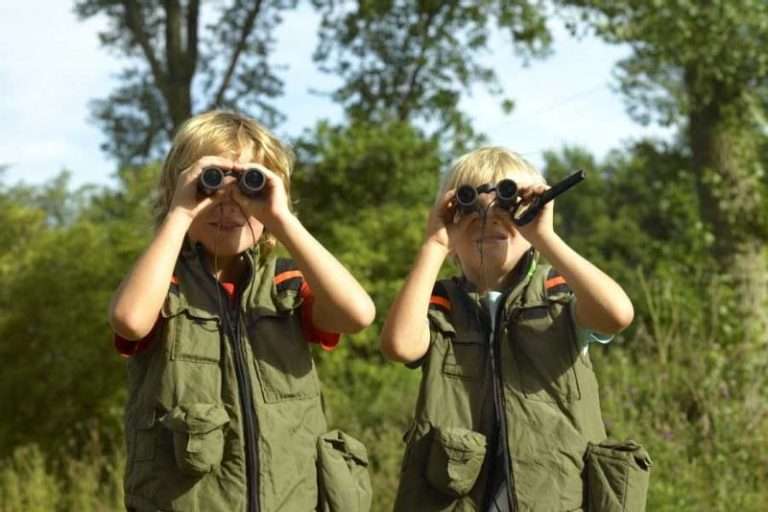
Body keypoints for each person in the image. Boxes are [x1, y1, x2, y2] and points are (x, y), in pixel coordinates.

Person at [109, 110, 376, 512]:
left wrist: (281, 219)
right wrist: (180, 213)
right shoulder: (165, 284)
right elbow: (130, 321)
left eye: (250, 186)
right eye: (209, 184)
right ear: (177, 190)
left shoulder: (286, 287)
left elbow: (358, 315)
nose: (228, 205)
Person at [381, 147, 635, 511]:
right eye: (467, 206)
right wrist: (435, 243)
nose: (489, 219)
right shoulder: (439, 304)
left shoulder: (559, 296)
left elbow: (617, 314)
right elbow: (399, 346)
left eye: (508, 204)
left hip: (555, 497)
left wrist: (543, 235)